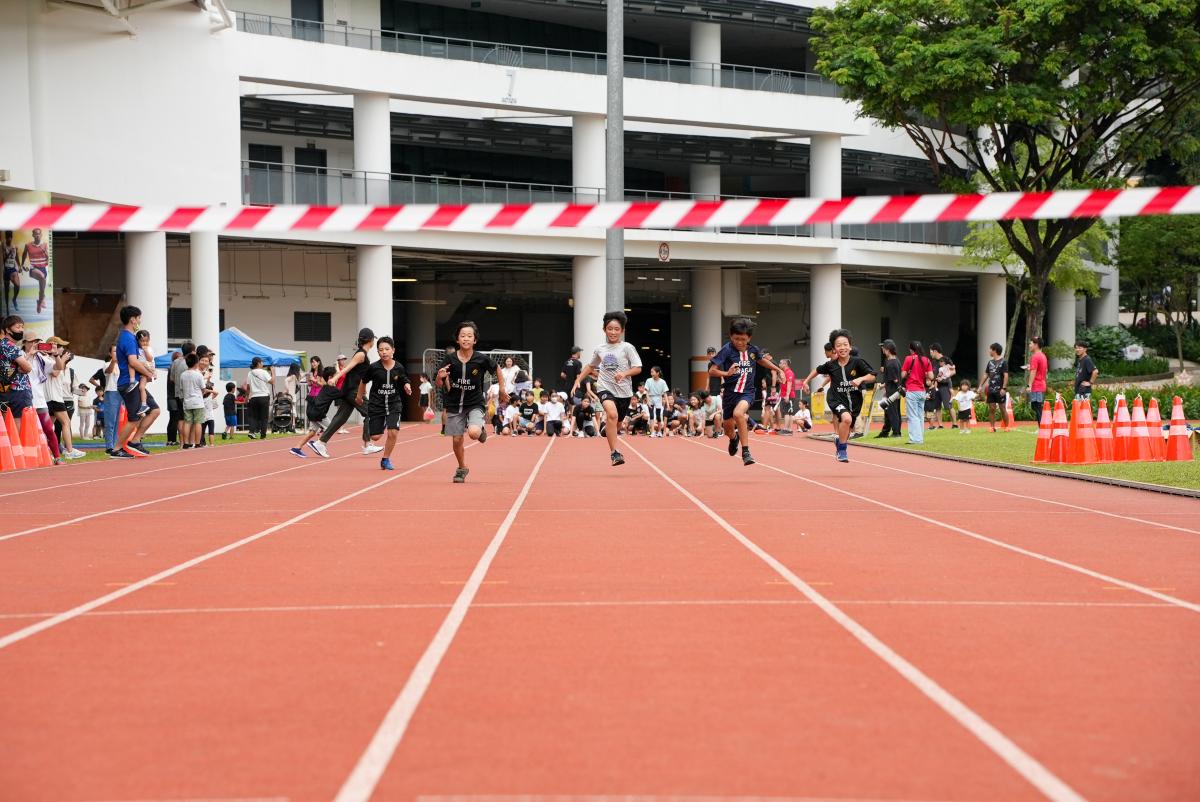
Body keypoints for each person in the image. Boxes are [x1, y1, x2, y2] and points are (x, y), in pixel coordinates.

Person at [435, 321, 506, 483]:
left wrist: (502, 389)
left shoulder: (481, 359)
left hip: (474, 403)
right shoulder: (449, 359)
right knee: (456, 440)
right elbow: (438, 384)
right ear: (457, 339)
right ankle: (462, 468)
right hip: (454, 404)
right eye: (462, 336)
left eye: (469, 336)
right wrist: (440, 376)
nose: (466, 338)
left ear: (475, 340)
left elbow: (497, 368)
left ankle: (480, 430)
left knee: (473, 433)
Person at [708, 317, 784, 467]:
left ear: (749, 338)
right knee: (728, 428)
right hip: (730, 394)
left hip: (747, 392)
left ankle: (746, 452)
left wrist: (778, 370)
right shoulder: (727, 350)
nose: (739, 342)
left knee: (738, 414)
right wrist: (727, 373)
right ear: (731, 336)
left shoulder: (753, 350)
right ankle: (733, 439)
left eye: (743, 339)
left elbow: (761, 360)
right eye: (736, 339)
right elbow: (712, 371)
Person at [573, 310, 642, 467]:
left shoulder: (627, 348)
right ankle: (615, 453)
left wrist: (624, 374)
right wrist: (578, 380)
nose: (613, 332)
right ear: (604, 330)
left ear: (622, 330)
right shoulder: (600, 349)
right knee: (612, 414)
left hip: (624, 392)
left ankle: (607, 429)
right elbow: (591, 366)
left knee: (617, 424)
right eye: (610, 328)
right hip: (605, 388)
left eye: (616, 329)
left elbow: (638, 368)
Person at [802, 329, 875, 463]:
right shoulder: (831, 365)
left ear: (850, 346)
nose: (842, 348)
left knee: (848, 429)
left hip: (854, 401)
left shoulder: (857, 362)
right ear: (834, 349)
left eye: (845, 344)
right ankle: (842, 450)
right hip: (836, 398)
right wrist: (806, 382)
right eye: (839, 345)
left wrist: (861, 379)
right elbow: (816, 370)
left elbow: (872, 376)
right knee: (846, 419)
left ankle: (839, 441)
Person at [309, 331, 376, 457]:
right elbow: (347, 368)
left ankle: (321, 442)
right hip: (352, 391)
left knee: (340, 418)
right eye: (374, 339)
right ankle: (367, 445)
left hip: (350, 390)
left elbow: (358, 374)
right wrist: (334, 378)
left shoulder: (362, 353)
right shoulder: (361, 354)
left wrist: (363, 388)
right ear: (370, 340)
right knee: (371, 412)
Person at [357, 336, 412, 470]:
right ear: (378, 352)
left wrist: (407, 385)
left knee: (393, 433)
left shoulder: (399, 367)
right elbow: (363, 381)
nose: (384, 352)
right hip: (377, 404)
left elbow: (404, 379)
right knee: (375, 437)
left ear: (393, 350)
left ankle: (385, 459)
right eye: (381, 350)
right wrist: (359, 396)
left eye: (387, 349)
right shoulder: (373, 367)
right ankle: (383, 422)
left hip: (394, 404)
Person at [112, 306, 160, 458]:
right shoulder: (127, 338)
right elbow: (132, 361)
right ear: (133, 319)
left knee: (154, 410)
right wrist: (149, 373)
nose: (140, 321)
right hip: (129, 383)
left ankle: (135, 441)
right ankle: (116, 449)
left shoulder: (131, 337)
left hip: (135, 383)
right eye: (139, 318)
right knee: (134, 418)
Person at [291, 366, 341, 458]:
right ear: (330, 378)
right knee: (331, 428)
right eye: (336, 376)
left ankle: (296, 448)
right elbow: (343, 394)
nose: (338, 378)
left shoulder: (326, 387)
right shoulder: (332, 389)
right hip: (318, 413)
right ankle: (318, 444)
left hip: (312, 411)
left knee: (312, 432)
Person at [0, 315, 34, 431]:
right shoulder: (10, 346)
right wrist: (23, 366)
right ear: (8, 329)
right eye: (18, 327)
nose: (21, 330)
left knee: (8, 425)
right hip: (18, 390)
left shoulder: (3, 345)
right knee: (19, 425)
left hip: (6, 389)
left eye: (22, 327)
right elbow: (28, 368)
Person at [900, 340, 934, 444]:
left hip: (912, 390)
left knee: (912, 416)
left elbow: (902, 375)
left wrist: (908, 373)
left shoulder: (908, 359)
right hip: (922, 391)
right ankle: (920, 437)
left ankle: (915, 439)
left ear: (911, 349)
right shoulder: (926, 360)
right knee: (919, 415)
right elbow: (931, 376)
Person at [167, 341, 195, 446]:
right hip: (187, 394)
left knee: (180, 419)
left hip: (177, 393)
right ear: (192, 351)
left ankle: (182, 442)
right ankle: (189, 441)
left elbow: (172, 378)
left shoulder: (175, 362)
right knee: (189, 419)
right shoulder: (189, 363)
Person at [977, 342, 1009, 433]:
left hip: (1000, 390)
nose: (989, 351)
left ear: (994, 350)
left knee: (1002, 408)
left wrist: (1004, 388)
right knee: (991, 408)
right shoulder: (990, 362)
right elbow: (986, 374)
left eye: (990, 349)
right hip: (991, 389)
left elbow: (1006, 376)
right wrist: (980, 386)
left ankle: (1006, 427)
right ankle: (992, 427)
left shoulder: (1003, 362)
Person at [178, 353, 207, 449]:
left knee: (187, 422)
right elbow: (203, 388)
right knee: (198, 422)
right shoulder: (198, 375)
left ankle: (186, 443)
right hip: (198, 402)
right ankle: (197, 443)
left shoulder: (183, 375)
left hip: (187, 402)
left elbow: (181, 388)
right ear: (196, 363)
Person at [19, 228, 50, 315]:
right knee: (42, 277)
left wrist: (46, 253)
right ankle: (42, 299)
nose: (37, 235)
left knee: (42, 285)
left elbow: (48, 259)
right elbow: (24, 254)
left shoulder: (44, 245)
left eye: (39, 234)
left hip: (43, 268)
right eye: (36, 234)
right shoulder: (28, 245)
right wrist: (22, 265)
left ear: (41, 235)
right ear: (33, 235)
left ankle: (40, 301)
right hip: (34, 268)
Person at [877, 340, 902, 438]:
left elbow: (894, 380)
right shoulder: (894, 360)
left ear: (888, 349)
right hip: (894, 390)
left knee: (893, 411)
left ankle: (896, 432)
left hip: (892, 391)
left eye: (883, 348)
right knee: (891, 411)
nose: (882, 349)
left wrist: (884, 385)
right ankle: (887, 431)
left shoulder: (891, 363)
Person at [245, 357, 273, 440]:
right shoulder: (264, 372)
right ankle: (263, 435)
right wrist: (273, 372)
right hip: (264, 396)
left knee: (253, 416)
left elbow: (248, 387)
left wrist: (247, 397)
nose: (263, 364)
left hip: (253, 397)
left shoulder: (250, 373)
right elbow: (272, 381)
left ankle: (251, 432)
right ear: (258, 363)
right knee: (264, 417)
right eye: (262, 362)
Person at [928, 343, 955, 429]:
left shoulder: (946, 359)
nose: (930, 354)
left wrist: (944, 377)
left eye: (931, 352)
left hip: (945, 385)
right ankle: (940, 425)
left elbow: (953, 371)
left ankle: (955, 424)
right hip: (936, 387)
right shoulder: (933, 362)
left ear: (935, 351)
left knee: (948, 405)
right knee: (937, 406)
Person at [1025, 336, 1049, 422]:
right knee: (1037, 406)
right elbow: (1045, 370)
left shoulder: (1035, 357)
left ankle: (1042, 426)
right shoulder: (1043, 355)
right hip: (1041, 384)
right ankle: (1042, 426)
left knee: (1037, 407)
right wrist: (1031, 367)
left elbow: (1033, 372)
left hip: (1036, 386)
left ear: (1036, 345)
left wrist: (1029, 385)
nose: (1029, 345)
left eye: (1030, 343)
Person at [644, 366, 668, 437]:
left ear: (657, 373)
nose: (651, 373)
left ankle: (659, 432)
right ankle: (652, 432)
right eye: (651, 372)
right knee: (651, 415)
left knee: (658, 416)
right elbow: (647, 392)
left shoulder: (662, 382)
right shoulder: (648, 380)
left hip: (658, 398)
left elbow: (665, 393)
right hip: (650, 398)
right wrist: (648, 401)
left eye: (652, 372)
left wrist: (667, 404)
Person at [775, 358, 797, 435]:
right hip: (785, 395)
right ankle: (789, 429)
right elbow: (783, 385)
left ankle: (787, 429)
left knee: (787, 413)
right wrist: (779, 395)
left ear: (785, 364)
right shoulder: (784, 373)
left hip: (788, 396)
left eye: (780, 363)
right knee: (788, 413)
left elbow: (789, 385)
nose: (779, 364)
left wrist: (787, 395)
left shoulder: (789, 373)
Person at [3, 233, 20, 314]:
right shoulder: (3, 247)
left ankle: (14, 299)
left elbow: (17, 257)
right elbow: (4, 260)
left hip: (13, 269)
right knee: (7, 291)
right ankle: (7, 308)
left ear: (12, 238)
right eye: (7, 238)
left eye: (10, 237)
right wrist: (9, 252)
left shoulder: (15, 247)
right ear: (6, 238)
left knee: (17, 285)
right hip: (6, 270)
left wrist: (20, 266)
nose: (9, 239)